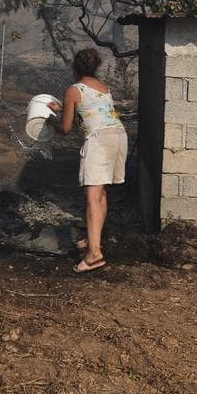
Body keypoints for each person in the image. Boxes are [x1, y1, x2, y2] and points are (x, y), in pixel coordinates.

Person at [49, 47, 128, 273]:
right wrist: (62, 109)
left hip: (100, 141)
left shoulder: (73, 89)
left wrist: (50, 120)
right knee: (101, 193)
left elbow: (65, 127)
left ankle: (94, 254)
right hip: (118, 136)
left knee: (92, 195)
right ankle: (95, 243)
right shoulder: (104, 88)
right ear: (96, 67)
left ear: (75, 68)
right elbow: (91, 110)